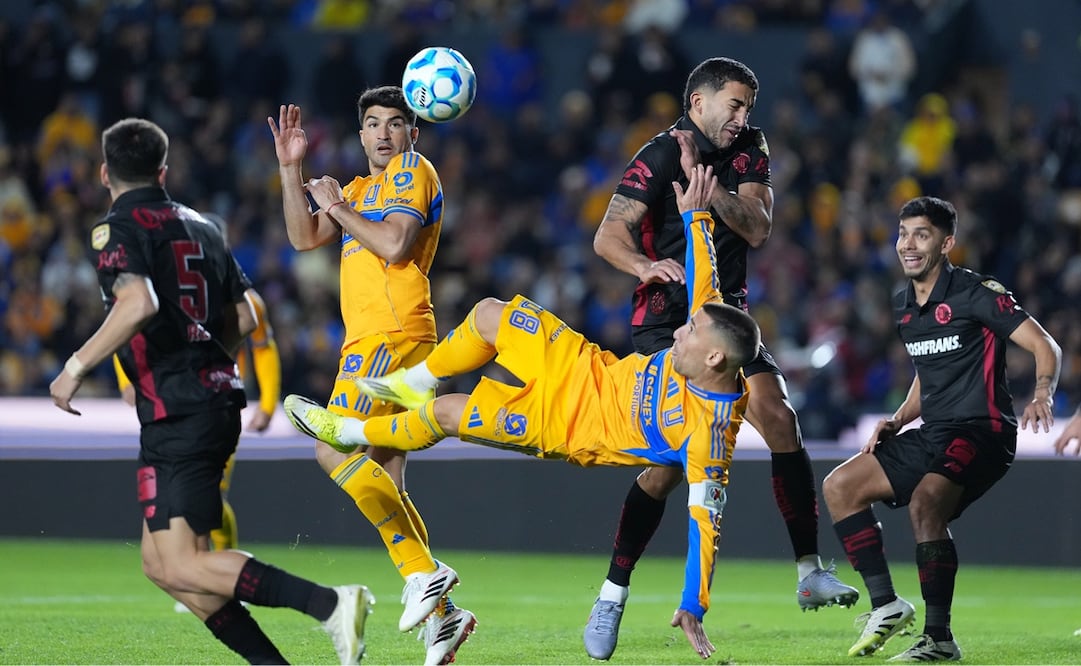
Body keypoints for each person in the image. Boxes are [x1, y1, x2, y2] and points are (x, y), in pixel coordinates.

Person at [286, 163, 760, 660]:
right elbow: (707, 279)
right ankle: (404, 387)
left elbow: (706, 526)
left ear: (714, 359)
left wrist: (693, 603)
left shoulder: (710, 437)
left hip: (565, 427)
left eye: (689, 334)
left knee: (450, 412)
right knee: (491, 313)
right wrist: (696, 217)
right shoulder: (713, 334)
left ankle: (352, 427)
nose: (678, 333)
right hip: (581, 366)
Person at [47, 117, 371, 665]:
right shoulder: (203, 227)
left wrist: (75, 366)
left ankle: (331, 604)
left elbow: (138, 303)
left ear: (104, 172)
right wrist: (205, 354)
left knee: (186, 563)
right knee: (160, 565)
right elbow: (246, 316)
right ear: (163, 171)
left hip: (181, 407)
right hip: (205, 398)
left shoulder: (116, 229)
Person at [586, 56, 857, 659]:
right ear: (698, 102)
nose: (742, 118)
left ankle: (809, 570)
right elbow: (607, 235)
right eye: (733, 105)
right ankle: (612, 592)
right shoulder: (657, 156)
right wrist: (644, 265)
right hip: (667, 328)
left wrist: (711, 201)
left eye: (747, 109)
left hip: (727, 318)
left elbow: (758, 226)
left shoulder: (749, 149)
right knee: (666, 468)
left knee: (780, 418)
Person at [267, 88, 475, 666]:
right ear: (359, 136)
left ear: (415, 133)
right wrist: (291, 170)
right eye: (373, 124)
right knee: (384, 476)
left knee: (331, 450)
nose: (384, 133)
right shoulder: (359, 192)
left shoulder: (413, 170)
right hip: (374, 341)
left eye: (396, 124)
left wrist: (333, 208)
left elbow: (394, 242)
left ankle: (426, 575)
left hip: (393, 336)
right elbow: (302, 238)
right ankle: (442, 617)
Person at [822, 196, 1061, 661]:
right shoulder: (903, 305)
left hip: (983, 430)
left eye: (922, 234)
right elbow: (926, 374)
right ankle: (888, 605)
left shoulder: (977, 293)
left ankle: (939, 639)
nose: (908, 244)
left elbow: (1043, 343)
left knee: (927, 502)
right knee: (840, 486)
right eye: (903, 233)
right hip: (936, 431)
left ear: (946, 242)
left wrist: (1043, 392)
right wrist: (897, 420)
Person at [114, 213, 282, 569]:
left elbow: (263, 348)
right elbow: (125, 323)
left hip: (216, 399)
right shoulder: (173, 289)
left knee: (210, 492)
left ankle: (214, 567)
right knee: (181, 490)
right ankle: (202, 570)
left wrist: (267, 404)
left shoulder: (241, 299)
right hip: (174, 398)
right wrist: (128, 381)